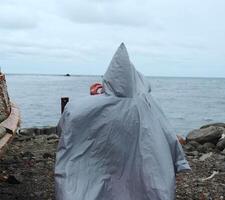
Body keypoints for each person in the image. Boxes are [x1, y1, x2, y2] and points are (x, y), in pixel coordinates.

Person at [55, 43, 190, 200]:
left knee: (93, 179)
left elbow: (65, 126)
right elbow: (168, 135)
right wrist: (179, 162)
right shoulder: (149, 105)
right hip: (144, 175)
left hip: (96, 168)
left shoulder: (83, 107)